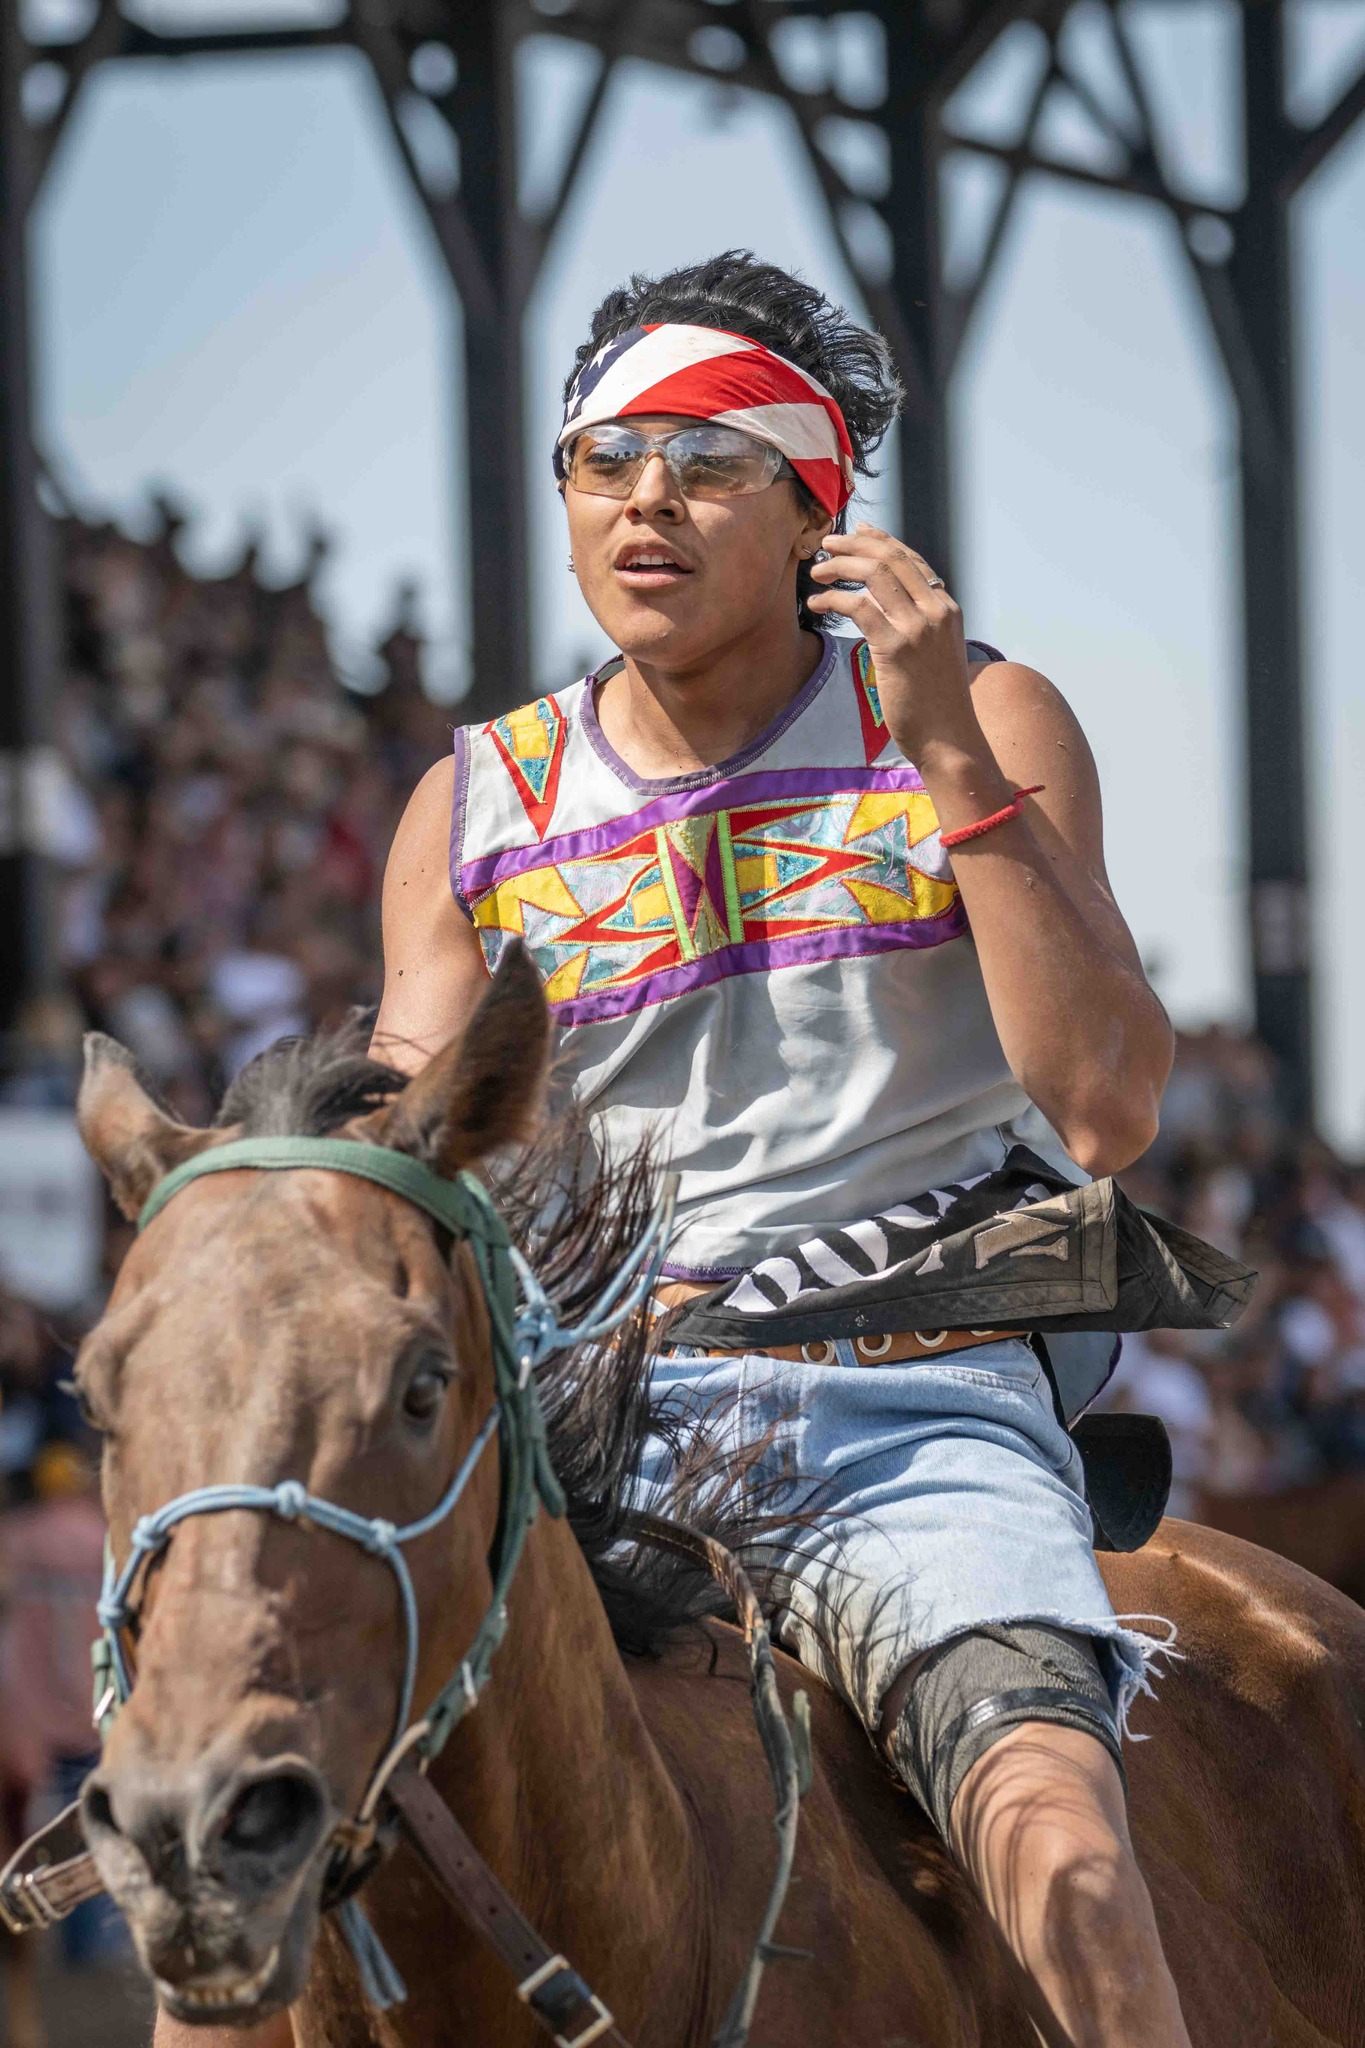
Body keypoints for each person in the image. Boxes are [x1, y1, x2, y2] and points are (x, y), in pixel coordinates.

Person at [157, 251, 1185, 2048]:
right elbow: (422, 1163)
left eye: (707, 462)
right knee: (227, 1840)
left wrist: (944, 749)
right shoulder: (470, 802)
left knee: (1063, 1846)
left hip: (914, 1408)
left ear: (815, 512)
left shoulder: (977, 716)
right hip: (577, 1434)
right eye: (604, 458)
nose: (645, 500)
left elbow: (1103, 1111)